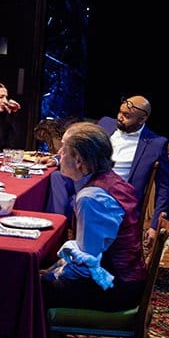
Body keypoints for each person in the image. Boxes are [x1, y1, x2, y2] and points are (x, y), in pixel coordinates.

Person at [41, 122, 147, 313]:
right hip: (124, 278)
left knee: (28, 288)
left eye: (64, 149)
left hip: (115, 287)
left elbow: (86, 266)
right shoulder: (112, 180)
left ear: (79, 160)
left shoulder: (91, 198)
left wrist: (51, 275)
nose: (59, 153)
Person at [43, 95, 169, 245]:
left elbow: (164, 187)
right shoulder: (106, 124)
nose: (120, 117)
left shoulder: (156, 144)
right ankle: (55, 234)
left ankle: (65, 236)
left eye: (126, 116)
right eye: (120, 112)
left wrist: (155, 225)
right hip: (88, 180)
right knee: (57, 177)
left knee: (82, 199)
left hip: (115, 197)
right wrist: (57, 159)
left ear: (142, 119)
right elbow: (79, 147)